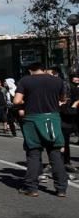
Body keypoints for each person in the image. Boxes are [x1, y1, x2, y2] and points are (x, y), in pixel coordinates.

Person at [14, 62, 68, 197]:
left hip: (32, 119)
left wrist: (26, 101)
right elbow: (62, 99)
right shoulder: (57, 81)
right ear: (44, 69)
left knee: (33, 154)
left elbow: (16, 101)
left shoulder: (25, 80)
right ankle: (61, 188)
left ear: (30, 70)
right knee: (55, 154)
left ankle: (31, 188)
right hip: (52, 118)